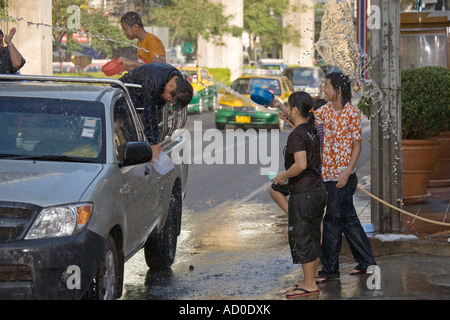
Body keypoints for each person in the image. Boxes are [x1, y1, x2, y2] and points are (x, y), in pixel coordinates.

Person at [313, 72, 376, 282]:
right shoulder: (325, 111)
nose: (324, 89)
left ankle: (330, 270)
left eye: (327, 86)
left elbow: (357, 145)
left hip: (343, 178)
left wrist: (348, 171)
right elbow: (305, 120)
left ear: (338, 90)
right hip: (329, 176)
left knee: (331, 221)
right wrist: (282, 108)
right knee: (348, 220)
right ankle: (367, 262)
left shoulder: (352, 113)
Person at [271, 92, 327, 298]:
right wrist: (281, 108)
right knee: (311, 236)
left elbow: (301, 164)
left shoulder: (297, 134)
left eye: (289, 107)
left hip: (305, 193)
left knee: (303, 238)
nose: (288, 110)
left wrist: (283, 176)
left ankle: (309, 284)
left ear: (295, 109)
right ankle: (308, 280)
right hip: (316, 190)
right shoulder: (310, 129)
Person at [118, 63, 193, 157]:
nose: (169, 100)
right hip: (123, 93)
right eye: (170, 96)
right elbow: (150, 112)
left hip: (139, 95)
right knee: (128, 132)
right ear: (172, 86)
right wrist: (153, 143)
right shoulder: (155, 82)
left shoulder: (177, 79)